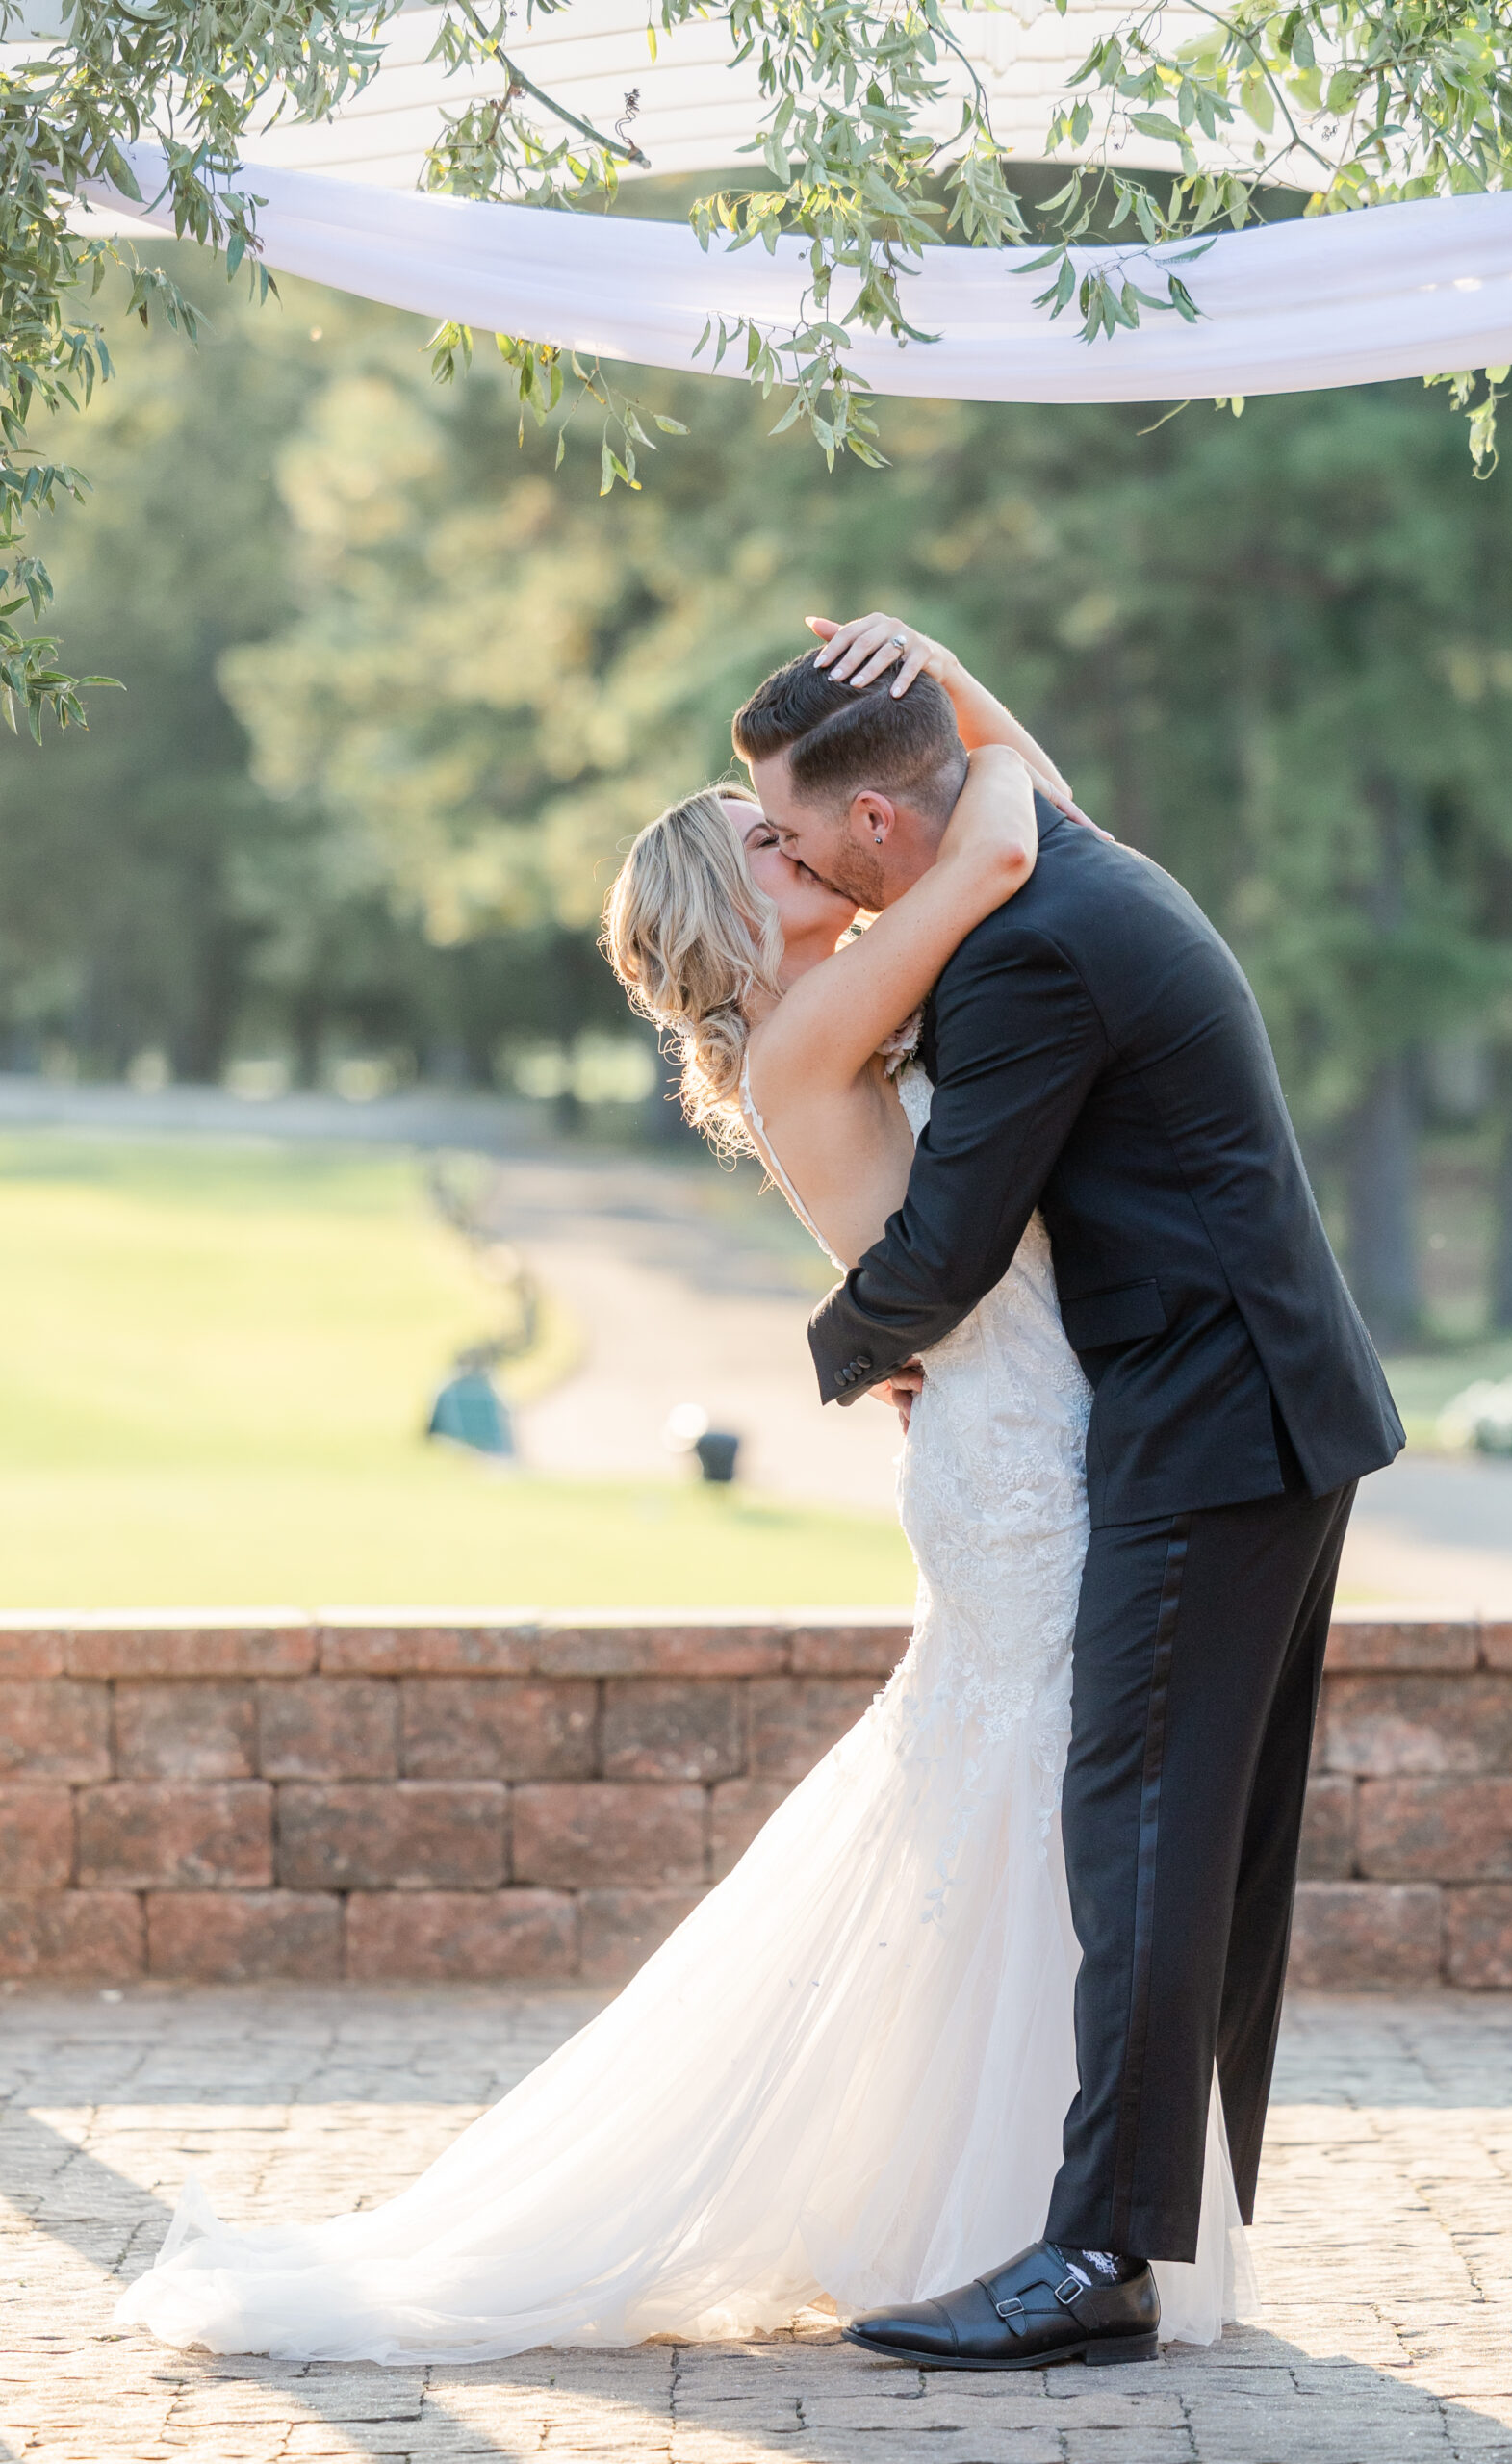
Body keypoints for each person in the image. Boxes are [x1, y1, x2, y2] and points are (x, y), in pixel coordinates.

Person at [110, 629, 1254, 2368]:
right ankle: (1045, 2227)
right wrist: (957, 708)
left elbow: (1026, 840)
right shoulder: (817, 1026)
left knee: (1030, 1820)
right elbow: (1014, 837)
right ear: (739, 906)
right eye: (769, 844)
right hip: (1024, 1462)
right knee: (1044, 1812)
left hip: (1033, 1435)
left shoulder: (845, 1008)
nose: (802, 847)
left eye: (789, 827)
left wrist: (945, 687)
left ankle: (1018, 2216)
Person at [736, 613, 1405, 2371]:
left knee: (1145, 1827)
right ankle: (1190, 2224)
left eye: (793, 832)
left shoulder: (1021, 954)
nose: (788, 857)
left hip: (1212, 1420)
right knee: (1212, 1842)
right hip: (1271, 1403)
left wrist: (843, 1351)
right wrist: (948, 674)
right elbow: (1012, 786)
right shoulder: (1065, 868)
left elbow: (947, 1250)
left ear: (881, 824)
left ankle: (1104, 2254)